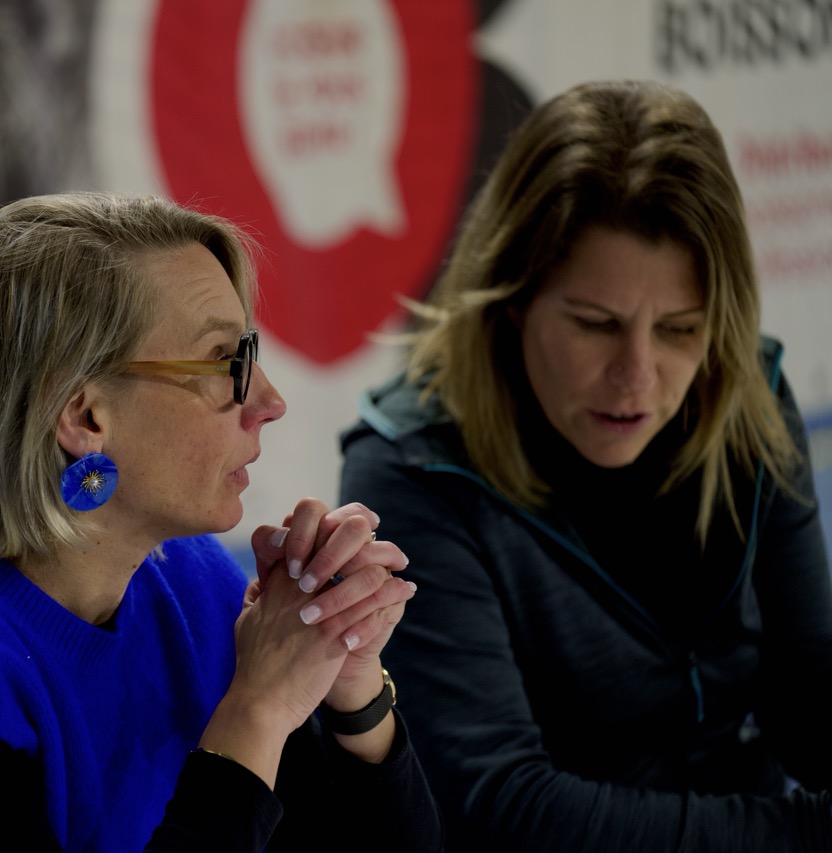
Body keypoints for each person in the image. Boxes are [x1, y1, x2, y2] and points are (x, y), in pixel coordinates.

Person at [0, 191, 444, 851]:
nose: (269, 400)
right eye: (224, 361)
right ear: (85, 416)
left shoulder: (190, 580)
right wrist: (257, 708)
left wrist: (347, 682)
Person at [340, 79, 832, 851]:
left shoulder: (746, 391)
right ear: (510, 301)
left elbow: (807, 694)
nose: (638, 375)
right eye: (596, 323)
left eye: (680, 328)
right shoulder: (410, 469)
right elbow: (498, 804)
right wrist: (807, 832)